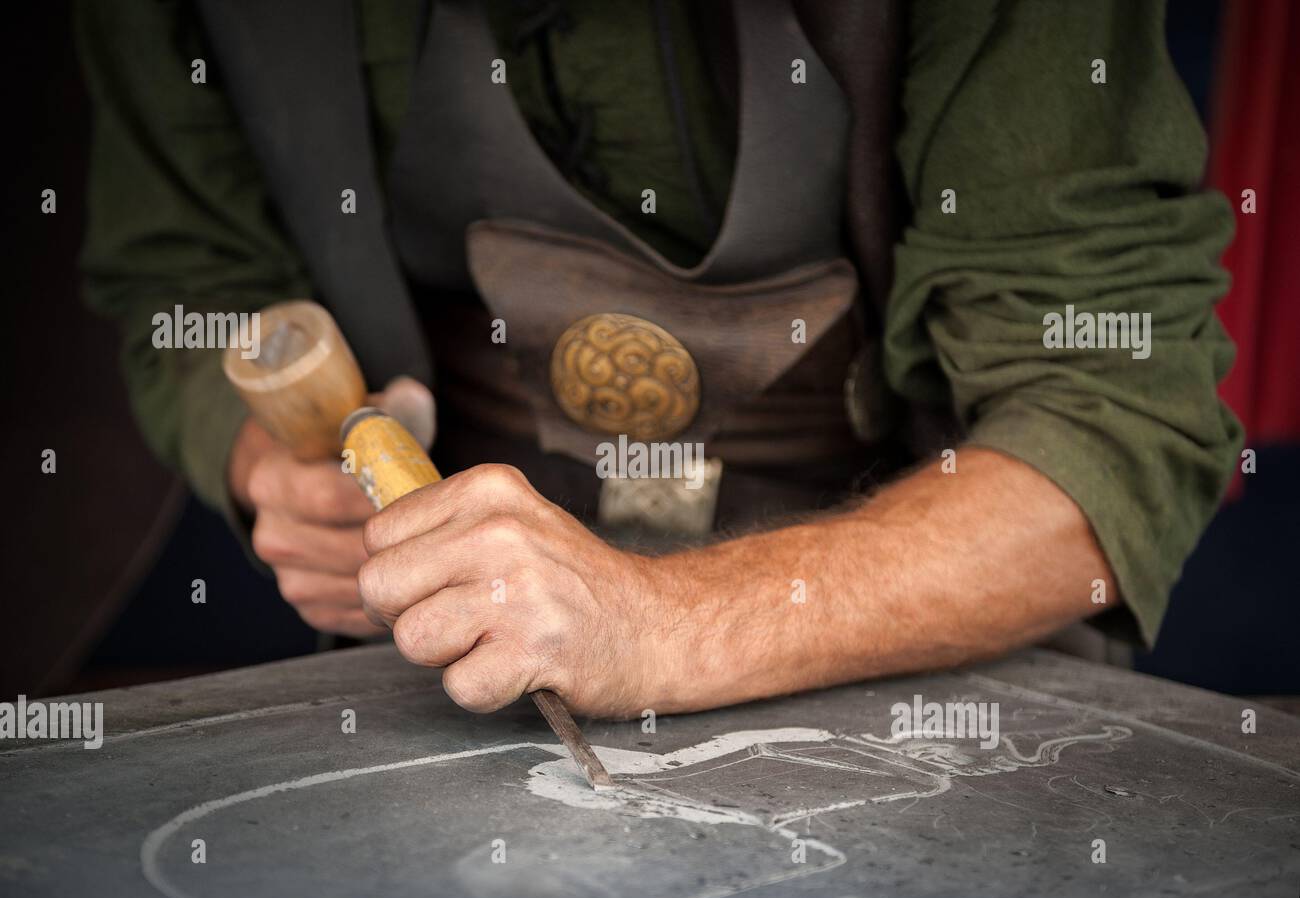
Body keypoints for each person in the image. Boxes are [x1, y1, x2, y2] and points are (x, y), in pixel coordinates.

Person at [77, 0, 1241, 717]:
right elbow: (184, 264)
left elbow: (1106, 423)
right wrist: (270, 472)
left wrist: (661, 621)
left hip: (909, 651)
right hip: (449, 675)